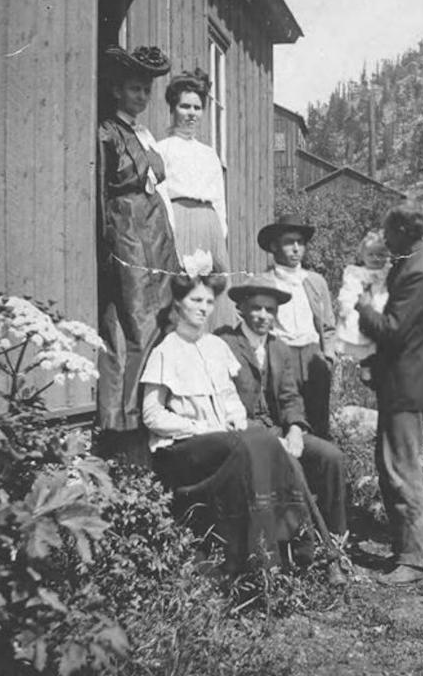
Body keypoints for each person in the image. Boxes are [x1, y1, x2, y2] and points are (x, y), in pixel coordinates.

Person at [140, 272, 314, 573]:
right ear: (179, 303)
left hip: (223, 439)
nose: (204, 308)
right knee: (253, 443)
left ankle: (285, 551)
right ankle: (253, 561)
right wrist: (198, 427)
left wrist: (235, 417)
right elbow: (152, 415)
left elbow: (230, 398)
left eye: (209, 301)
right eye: (196, 300)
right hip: (184, 447)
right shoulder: (166, 350)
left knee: (265, 441)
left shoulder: (216, 347)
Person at [216, 276, 348, 586]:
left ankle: (339, 539)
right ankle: (322, 555)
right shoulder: (224, 344)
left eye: (270, 310)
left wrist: (295, 430)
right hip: (244, 433)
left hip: (277, 428)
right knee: (291, 466)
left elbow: (290, 397)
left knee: (331, 457)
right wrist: (274, 439)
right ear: (241, 310)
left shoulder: (279, 348)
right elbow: (224, 401)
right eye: (257, 309)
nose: (264, 316)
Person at [96, 44, 179, 465]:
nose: (141, 97)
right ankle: (124, 428)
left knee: (163, 317)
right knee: (134, 324)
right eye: (133, 89)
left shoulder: (142, 133)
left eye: (146, 90)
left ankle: (155, 413)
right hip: (128, 230)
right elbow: (105, 194)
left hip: (155, 231)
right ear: (116, 90)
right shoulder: (108, 133)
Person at [355, 206, 423, 585]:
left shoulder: (418, 272)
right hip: (405, 379)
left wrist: (362, 309)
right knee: (394, 462)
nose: (385, 241)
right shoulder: (416, 263)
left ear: (405, 233)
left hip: (407, 383)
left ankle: (414, 557)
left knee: (401, 466)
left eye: (389, 235)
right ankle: (407, 547)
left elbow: (393, 329)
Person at [257, 215, 336, 439]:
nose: (295, 249)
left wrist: (328, 357)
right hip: (281, 354)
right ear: (274, 246)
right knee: (286, 417)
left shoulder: (315, 281)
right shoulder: (264, 282)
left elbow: (328, 324)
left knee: (318, 419)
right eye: (289, 242)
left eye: (300, 243)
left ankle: (318, 468)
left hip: (313, 356)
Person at [155, 69, 230, 275]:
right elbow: (159, 196)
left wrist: (219, 232)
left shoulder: (209, 154)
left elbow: (219, 200)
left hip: (209, 227)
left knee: (212, 290)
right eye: (185, 106)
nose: (191, 113)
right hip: (177, 224)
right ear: (173, 109)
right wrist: (171, 232)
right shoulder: (162, 149)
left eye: (197, 108)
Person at [336, 230, 391, 385]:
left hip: (381, 307)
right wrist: (346, 306)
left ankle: (374, 365)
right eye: (371, 254)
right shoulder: (354, 273)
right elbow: (348, 291)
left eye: (380, 255)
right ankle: (365, 365)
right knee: (361, 338)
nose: (375, 258)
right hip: (359, 310)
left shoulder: (388, 273)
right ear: (362, 255)